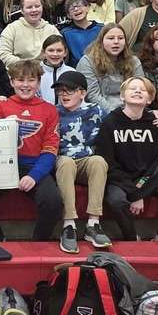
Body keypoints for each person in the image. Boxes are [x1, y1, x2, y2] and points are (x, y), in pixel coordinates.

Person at [0, 59, 63, 242]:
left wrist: (34, 176)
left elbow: (50, 148)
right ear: (12, 82)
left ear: (38, 82)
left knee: (53, 202)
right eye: (20, 80)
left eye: (31, 80)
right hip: (3, 166)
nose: (26, 85)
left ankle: (38, 243)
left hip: (34, 167)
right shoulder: (1, 106)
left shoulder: (50, 110)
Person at [96, 77, 158, 241]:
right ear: (122, 96)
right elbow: (109, 164)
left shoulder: (156, 122)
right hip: (119, 179)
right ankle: (132, 237)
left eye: (143, 89)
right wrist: (135, 194)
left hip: (150, 176)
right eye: (133, 88)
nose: (138, 91)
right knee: (117, 201)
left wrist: (139, 190)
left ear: (149, 99)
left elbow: (157, 162)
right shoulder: (109, 123)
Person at [53, 71, 111, 253]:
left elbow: (122, 120)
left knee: (98, 161)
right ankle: (69, 225)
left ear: (83, 93)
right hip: (63, 161)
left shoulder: (97, 110)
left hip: (86, 160)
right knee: (66, 162)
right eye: (60, 91)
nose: (63, 95)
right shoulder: (53, 111)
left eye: (69, 91)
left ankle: (93, 224)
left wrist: (154, 115)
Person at [76, 24, 144, 112]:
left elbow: (142, 89)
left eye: (120, 38)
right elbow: (92, 96)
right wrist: (116, 115)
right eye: (111, 38)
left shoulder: (134, 61)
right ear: (101, 41)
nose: (116, 42)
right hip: (99, 112)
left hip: (131, 110)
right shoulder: (87, 62)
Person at [0, 0, 61, 68]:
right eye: (29, 7)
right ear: (22, 10)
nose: (34, 10)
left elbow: (61, 51)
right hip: (19, 73)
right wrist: (27, 65)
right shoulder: (11, 29)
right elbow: (3, 54)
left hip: (47, 70)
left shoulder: (52, 30)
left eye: (37, 6)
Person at [60, 0, 103, 64]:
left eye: (79, 6)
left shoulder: (101, 28)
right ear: (69, 15)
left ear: (87, 8)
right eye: (72, 9)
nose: (76, 9)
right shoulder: (65, 33)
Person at [38, 34, 74, 104]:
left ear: (65, 53)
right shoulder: (35, 72)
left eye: (59, 50)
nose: (55, 54)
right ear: (43, 52)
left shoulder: (72, 72)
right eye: (51, 50)